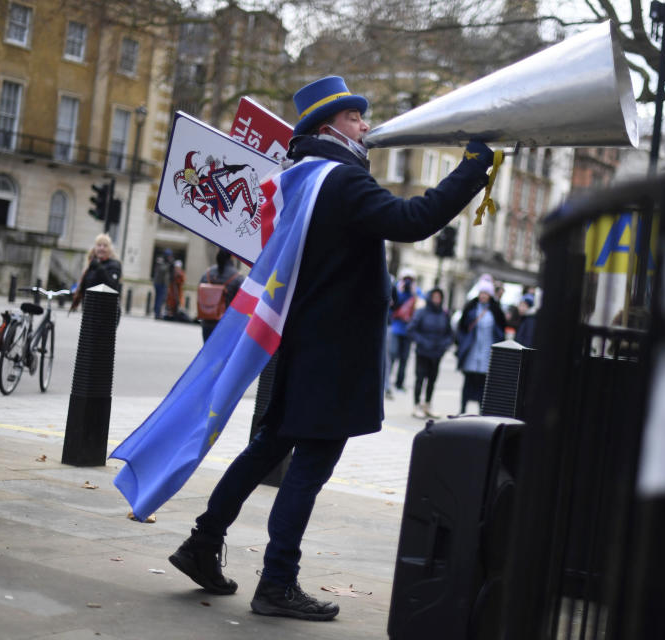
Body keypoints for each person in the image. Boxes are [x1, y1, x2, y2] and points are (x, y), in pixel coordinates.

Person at [167, 75, 494, 621]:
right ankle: (277, 583)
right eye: (355, 118)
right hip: (333, 356)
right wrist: (472, 166)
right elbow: (413, 220)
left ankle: (202, 544)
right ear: (328, 128)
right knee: (308, 467)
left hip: (304, 348)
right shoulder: (340, 181)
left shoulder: (302, 177)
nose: (366, 125)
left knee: (267, 450)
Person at [455, 280, 506, 414]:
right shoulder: (471, 308)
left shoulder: (495, 311)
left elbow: (501, 330)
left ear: (490, 295)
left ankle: (482, 410)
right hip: (471, 351)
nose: (483, 295)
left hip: (487, 353)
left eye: (486, 293)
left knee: (484, 384)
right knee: (468, 381)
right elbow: (462, 328)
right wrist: (461, 344)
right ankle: (463, 408)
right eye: (481, 292)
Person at [407, 288, 454, 418]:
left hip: (437, 353)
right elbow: (411, 329)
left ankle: (427, 404)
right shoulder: (421, 312)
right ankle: (416, 405)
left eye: (439, 297)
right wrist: (422, 342)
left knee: (432, 380)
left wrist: (444, 346)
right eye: (434, 297)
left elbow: (449, 334)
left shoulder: (444, 314)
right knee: (420, 378)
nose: (436, 300)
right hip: (423, 352)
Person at [198, 248, 243, 342]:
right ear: (232, 257)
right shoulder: (237, 277)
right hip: (227, 324)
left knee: (207, 353)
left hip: (207, 321)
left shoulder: (207, 274)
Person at [388, 267, 421, 393]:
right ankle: (387, 382)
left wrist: (414, 294)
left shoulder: (416, 292)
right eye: (405, 279)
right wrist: (399, 293)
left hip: (408, 331)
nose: (407, 282)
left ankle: (399, 383)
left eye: (410, 280)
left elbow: (420, 308)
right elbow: (392, 307)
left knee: (404, 359)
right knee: (392, 356)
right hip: (396, 329)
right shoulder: (396, 289)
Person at [70, 233, 122, 312]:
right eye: (99, 245)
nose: (101, 248)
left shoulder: (114, 265)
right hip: (89, 310)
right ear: (95, 247)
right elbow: (84, 287)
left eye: (105, 245)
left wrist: (99, 267)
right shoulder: (91, 264)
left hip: (107, 312)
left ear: (109, 249)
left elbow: (112, 285)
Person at [153, 249, 173, 319]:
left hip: (163, 283)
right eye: (169, 256)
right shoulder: (161, 261)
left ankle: (158, 312)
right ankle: (157, 313)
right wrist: (168, 264)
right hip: (160, 283)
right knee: (159, 299)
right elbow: (162, 269)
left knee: (161, 299)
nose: (170, 257)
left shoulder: (167, 262)